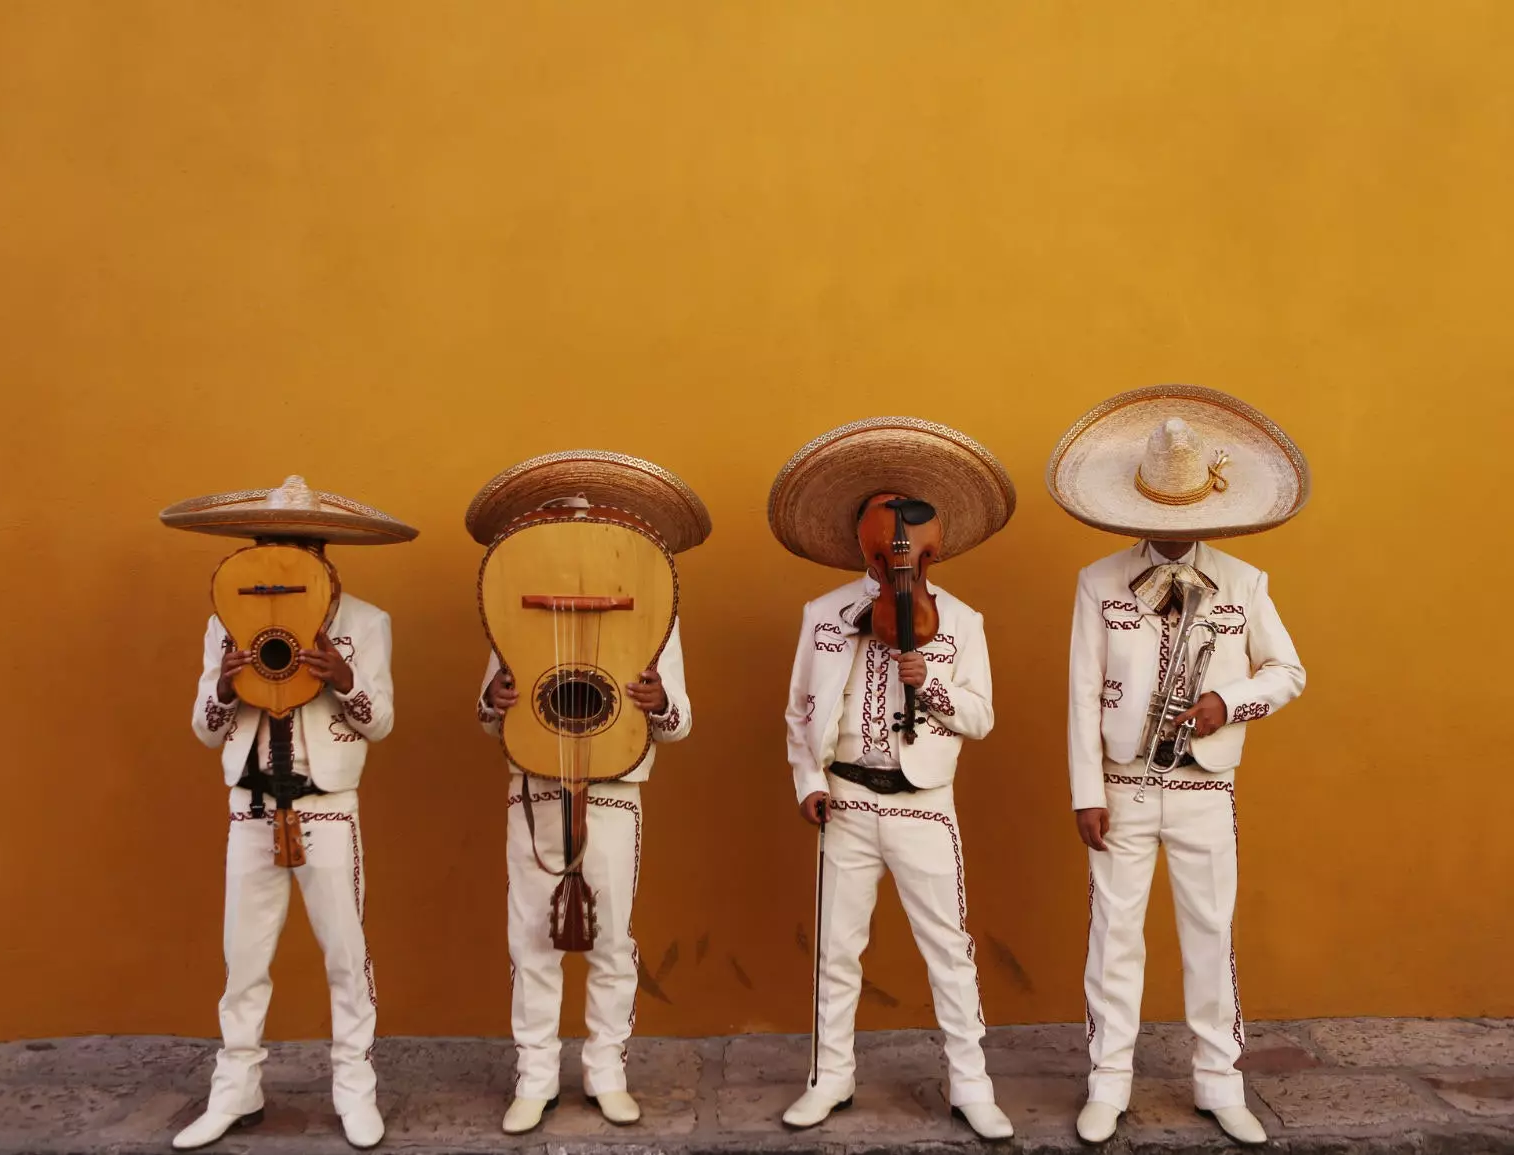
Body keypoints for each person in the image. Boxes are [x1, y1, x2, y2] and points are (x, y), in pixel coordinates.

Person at [1045, 388, 1310, 1146]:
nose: (1171, 532)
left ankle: (1220, 1080)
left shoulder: (1246, 583)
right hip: (1124, 788)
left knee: (1208, 933)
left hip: (1206, 787)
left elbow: (1288, 672)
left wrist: (1230, 700)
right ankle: (1108, 1081)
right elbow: (1080, 692)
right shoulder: (1098, 582)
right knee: (1114, 935)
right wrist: (1085, 791)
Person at [767, 418, 1017, 1141]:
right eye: (882, 540)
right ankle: (830, 1076)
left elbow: (981, 716)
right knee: (836, 946)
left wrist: (930, 682)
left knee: (949, 948)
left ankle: (971, 1085)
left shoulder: (963, 622)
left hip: (924, 806)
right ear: (860, 543)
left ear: (931, 543)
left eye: (909, 539)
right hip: (844, 798)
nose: (896, 552)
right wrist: (806, 779)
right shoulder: (824, 614)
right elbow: (797, 711)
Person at [160, 476, 417, 1151]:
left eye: (297, 544)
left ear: (324, 552)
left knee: (345, 954)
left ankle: (354, 1087)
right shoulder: (226, 618)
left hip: (326, 809)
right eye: (269, 543)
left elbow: (382, 723)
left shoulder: (365, 622)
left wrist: (343, 679)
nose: (281, 557)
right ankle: (235, 1086)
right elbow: (205, 729)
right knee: (242, 960)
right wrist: (222, 683)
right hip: (249, 808)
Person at [462, 451, 709, 1135]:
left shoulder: (653, 607)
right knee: (531, 940)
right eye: (565, 524)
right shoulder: (514, 603)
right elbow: (489, 715)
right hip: (534, 787)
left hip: (614, 790)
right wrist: (498, 694)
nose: (581, 533)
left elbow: (680, 721)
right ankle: (535, 1078)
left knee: (611, 940)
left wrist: (660, 700)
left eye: (594, 524)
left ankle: (607, 1072)